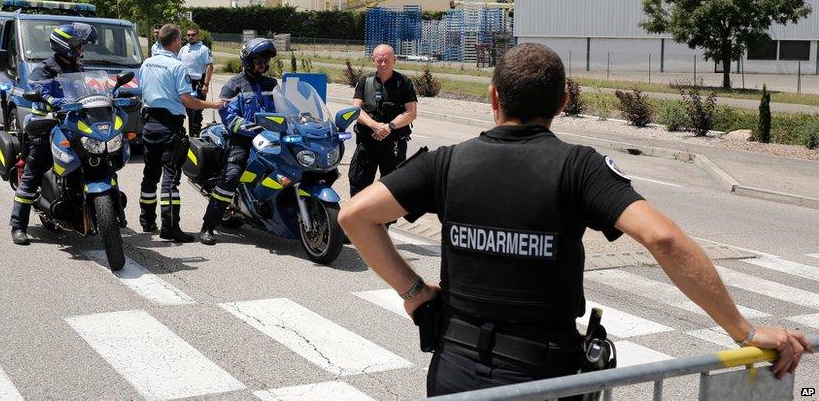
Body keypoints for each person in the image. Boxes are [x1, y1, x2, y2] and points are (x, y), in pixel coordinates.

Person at [339, 43, 812, 396]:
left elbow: (356, 216)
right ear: (563, 102)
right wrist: (745, 333)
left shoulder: (446, 162)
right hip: (541, 379)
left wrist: (415, 294)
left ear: (492, 98)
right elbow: (664, 238)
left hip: (454, 370)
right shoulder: (579, 167)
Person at [10, 23, 96, 245]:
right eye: (78, 46)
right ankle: (18, 226)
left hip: (71, 124)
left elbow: (83, 91)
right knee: (33, 173)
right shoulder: (44, 69)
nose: (81, 50)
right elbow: (39, 89)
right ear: (65, 46)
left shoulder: (77, 68)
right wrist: (51, 99)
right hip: (46, 125)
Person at [138, 24, 224, 241]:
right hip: (169, 127)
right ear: (176, 41)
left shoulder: (147, 63)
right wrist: (212, 105)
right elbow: (187, 100)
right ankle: (170, 227)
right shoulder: (177, 67)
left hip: (149, 124)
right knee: (170, 178)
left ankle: (147, 220)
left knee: (150, 174)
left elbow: (141, 90)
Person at [198, 37, 277, 246]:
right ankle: (208, 226)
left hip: (270, 138)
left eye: (266, 61)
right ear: (248, 61)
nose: (263, 65)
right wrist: (246, 127)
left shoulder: (272, 84)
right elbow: (228, 116)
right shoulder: (233, 85)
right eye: (259, 60)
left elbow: (287, 108)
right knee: (231, 176)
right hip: (242, 139)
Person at [349, 44, 418, 197]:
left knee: (393, 189)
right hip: (367, 144)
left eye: (387, 60)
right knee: (358, 184)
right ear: (373, 61)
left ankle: (385, 221)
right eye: (379, 60)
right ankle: (360, 219)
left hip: (393, 145)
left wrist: (389, 127)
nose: (383, 64)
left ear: (395, 60)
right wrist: (374, 126)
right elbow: (355, 110)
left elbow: (411, 113)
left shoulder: (404, 82)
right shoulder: (364, 81)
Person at [178, 28, 214, 137]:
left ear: (198, 36)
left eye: (193, 35)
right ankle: (190, 136)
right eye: (188, 35)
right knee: (188, 111)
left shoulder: (203, 49)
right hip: (186, 82)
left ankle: (195, 136)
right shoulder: (183, 49)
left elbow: (209, 66)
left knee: (196, 111)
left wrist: (206, 84)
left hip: (199, 83)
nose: (190, 37)